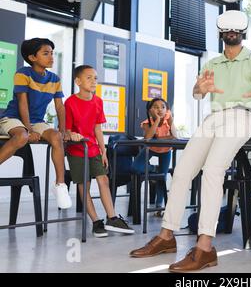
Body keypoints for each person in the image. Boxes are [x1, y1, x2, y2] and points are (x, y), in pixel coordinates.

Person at [130, 10, 251, 272]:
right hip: (215, 116)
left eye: (236, 29)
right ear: (221, 33)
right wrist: (200, 89)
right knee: (182, 171)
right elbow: (197, 92)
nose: (231, 32)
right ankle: (166, 237)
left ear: (243, 33)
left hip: (242, 114)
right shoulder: (212, 63)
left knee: (212, 170)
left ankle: (205, 247)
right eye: (227, 29)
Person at [0, 38, 72, 209]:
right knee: (22, 136)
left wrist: (62, 130)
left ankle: (60, 185)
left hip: (37, 120)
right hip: (13, 117)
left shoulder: (54, 79)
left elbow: (60, 106)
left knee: (55, 137)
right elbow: (22, 103)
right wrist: (30, 130)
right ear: (32, 57)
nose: (51, 57)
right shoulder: (22, 73)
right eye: (46, 53)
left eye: (52, 53)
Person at [65, 65, 134, 237]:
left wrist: (103, 151)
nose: (94, 81)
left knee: (103, 180)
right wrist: (71, 134)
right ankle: (96, 222)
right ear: (78, 81)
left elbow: (97, 129)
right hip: (77, 150)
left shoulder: (98, 101)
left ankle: (112, 218)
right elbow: (65, 131)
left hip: (94, 149)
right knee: (85, 185)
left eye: (95, 77)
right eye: (89, 78)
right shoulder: (70, 102)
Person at [131, 98, 176, 217]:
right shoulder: (147, 123)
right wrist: (157, 120)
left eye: (163, 107)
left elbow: (175, 136)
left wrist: (170, 121)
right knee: (136, 167)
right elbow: (148, 138)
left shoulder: (168, 120)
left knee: (162, 177)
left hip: (165, 151)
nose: (160, 109)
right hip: (150, 149)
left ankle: (158, 207)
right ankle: (153, 169)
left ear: (167, 110)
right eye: (156, 107)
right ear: (150, 110)